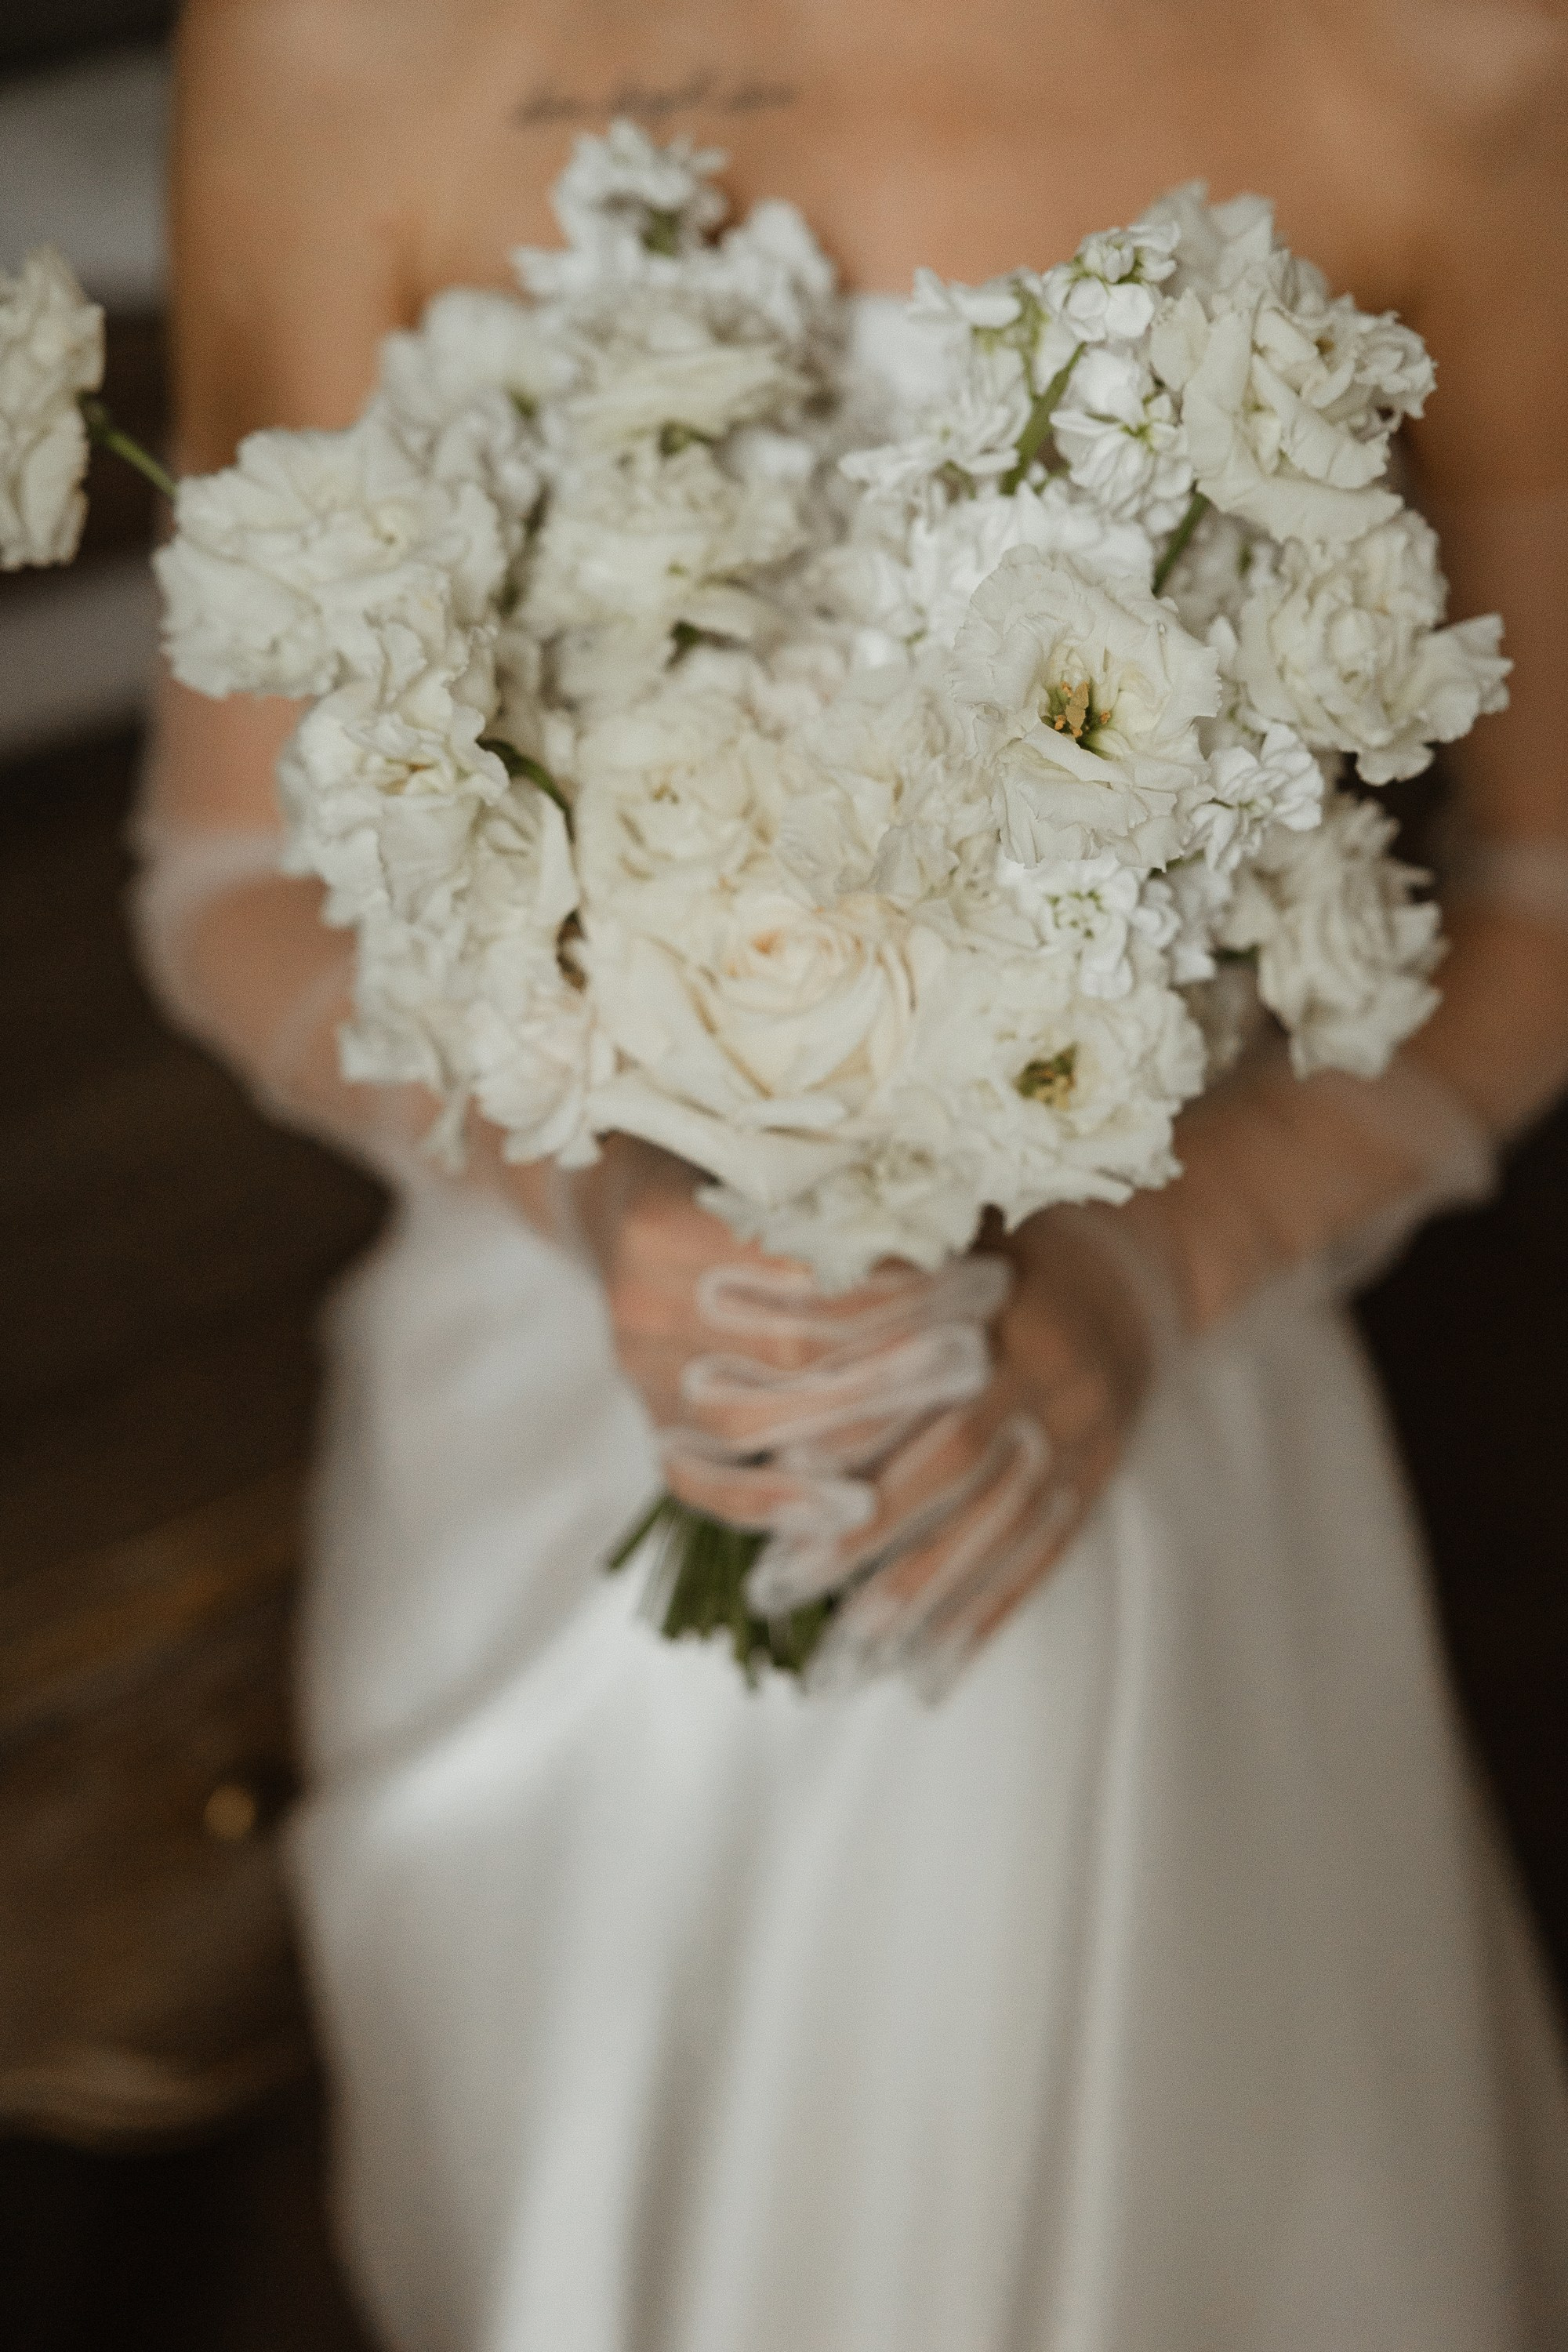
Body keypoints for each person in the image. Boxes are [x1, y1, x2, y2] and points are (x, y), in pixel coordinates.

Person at [141, 2, 1568, 2343]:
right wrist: (606, 1202)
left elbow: (1540, 914)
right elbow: (231, 882)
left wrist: (1140, 1278)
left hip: (1158, 1361)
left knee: (1024, 1675)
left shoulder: (1442, 58)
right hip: (566, 1370)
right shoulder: (340, 42)